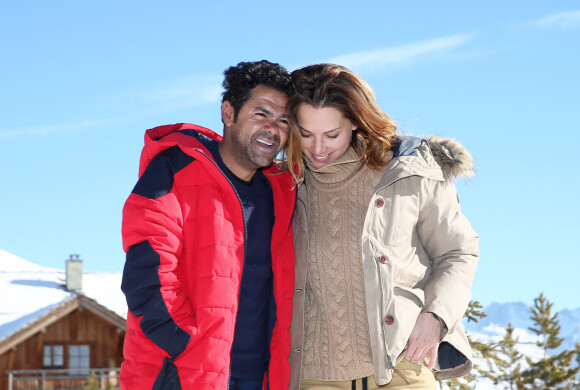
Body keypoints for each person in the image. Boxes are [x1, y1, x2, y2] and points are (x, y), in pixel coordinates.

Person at [285, 64, 479, 389]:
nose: (317, 149)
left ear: (356, 123)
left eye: (331, 135)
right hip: (313, 376)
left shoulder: (409, 172)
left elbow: (458, 251)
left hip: (404, 366)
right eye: (305, 134)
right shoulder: (282, 185)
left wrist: (436, 317)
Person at [120, 60, 297, 390]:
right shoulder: (175, 170)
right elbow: (148, 276)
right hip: (181, 373)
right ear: (229, 113)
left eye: (283, 120)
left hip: (261, 378)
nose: (273, 129)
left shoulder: (283, 194)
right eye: (261, 114)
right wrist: (189, 344)